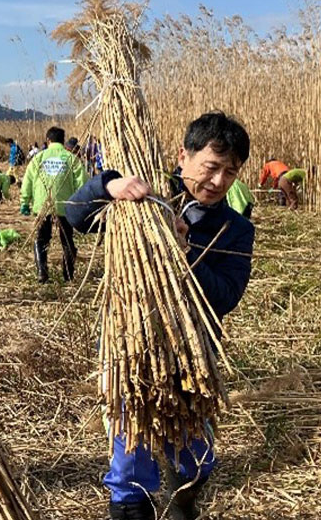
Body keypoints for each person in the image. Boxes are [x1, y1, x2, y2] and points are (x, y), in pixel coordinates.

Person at [66, 111, 255, 520]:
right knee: (130, 464)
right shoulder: (144, 200)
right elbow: (73, 215)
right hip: (129, 347)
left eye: (230, 172)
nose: (218, 182)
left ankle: (183, 499)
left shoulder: (236, 228)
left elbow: (225, 296)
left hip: (193, 356)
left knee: (195, 459)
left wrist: (186, 255)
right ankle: (133, 506)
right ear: (183, 156)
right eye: (211, 167)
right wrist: (109, 184)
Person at [20, 127, 87, 284]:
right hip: (66, 206)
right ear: (63, 141)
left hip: (43, 206)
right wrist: (81, 203)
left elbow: (28, 180)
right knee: (67, 240)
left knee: (42, 239)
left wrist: (25, 201)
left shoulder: (38, 158)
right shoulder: (71, 159)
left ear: (48, 140)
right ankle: (68, 275)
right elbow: (82, 182)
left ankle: (42, 272)